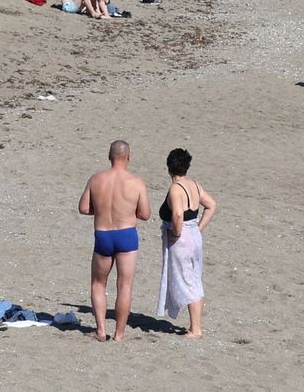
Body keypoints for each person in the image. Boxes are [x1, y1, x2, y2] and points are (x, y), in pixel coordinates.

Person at [78, 140, 151, 342]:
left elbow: (84, 208)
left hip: (103, 234)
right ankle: (119, 334)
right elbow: (145, 214)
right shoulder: (136, 182)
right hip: (126, 233)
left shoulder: (96, 179)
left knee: (98, 284)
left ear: (109, 156)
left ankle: (101, 330)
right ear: (129, 156)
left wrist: (100, 210)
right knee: (124, 286)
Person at [157, 147, 215, 338]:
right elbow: (211, 205)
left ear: (169, 168)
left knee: (187, 281)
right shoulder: (194, 184)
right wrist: (197, 229)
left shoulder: (175, 189)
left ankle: (196, 329)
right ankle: (196, 326)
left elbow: (178, 214)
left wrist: (176, 233)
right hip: (194, 237)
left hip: (182, 239)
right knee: (194, 278)